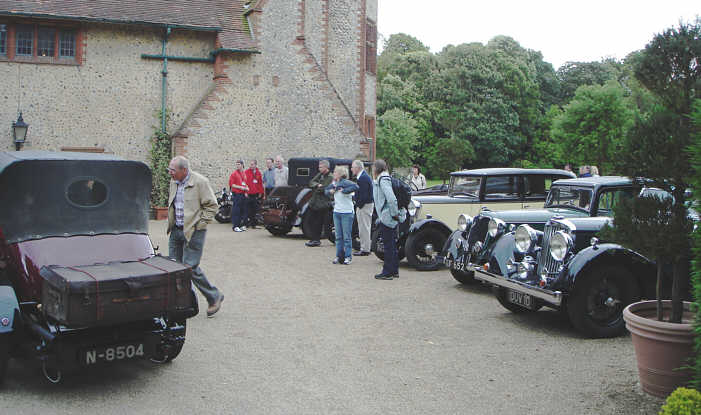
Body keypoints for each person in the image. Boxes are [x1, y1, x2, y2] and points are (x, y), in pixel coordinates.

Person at [167, 156, 224, 317]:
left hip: (194, 231)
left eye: (173, 170)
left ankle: (214, 296)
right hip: (176, 231)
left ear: (184, 170)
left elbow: (212, 206)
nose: (170, 173)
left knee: (189, 268)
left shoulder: (200, 182)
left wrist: (200, 225)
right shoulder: (173, 181)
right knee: (175, 269)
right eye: (169, 170)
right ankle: (184, 303)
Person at [373, 159, 406, 280]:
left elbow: (391, 199)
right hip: (389, 215)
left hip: (387, 216)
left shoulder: (383, 180)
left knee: (388, 245)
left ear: (376, 169)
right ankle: (394, 270)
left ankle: (387, 271)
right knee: (391, 244)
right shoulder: (385, 178)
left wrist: (394, 214)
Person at [325, 166, 359, 264]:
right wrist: (331, 191)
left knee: (347, 236)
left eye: (335, 172)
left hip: (347, 212)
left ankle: (348, 257)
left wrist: (343, 190)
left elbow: (355, 187)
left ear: (340, 174)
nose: (333, 173)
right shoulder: (333, 183)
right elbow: (326, 191)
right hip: (337, 212)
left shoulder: (345, 182)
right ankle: (339, 256)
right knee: (338, 236)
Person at [304, 159, 333, 247]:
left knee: (320, 222)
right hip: (315, 202)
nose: (319, 168)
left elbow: (323, 188)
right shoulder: (320, 174)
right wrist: (317, 185)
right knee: (312, 220)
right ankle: (314, 239)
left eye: (320, 167)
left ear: (326, 167)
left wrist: (318, 187)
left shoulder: (330, 177)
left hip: (324, 203)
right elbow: (311, 182)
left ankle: (317, 239)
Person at [351, 159, 373, 256]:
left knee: (364, 227)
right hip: (364, 205)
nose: (351, 169)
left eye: (352, 167)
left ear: (357, 168)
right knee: (363, 227)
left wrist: (358, 204)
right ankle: (364, 247)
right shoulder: (363, 177)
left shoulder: (363, 178)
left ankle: (365, 249)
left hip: (364, 206)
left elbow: (364, 195)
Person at [229, 160, 249, 232]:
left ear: (242, 165)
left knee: (242, 210)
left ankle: (241, 225)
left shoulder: (244, 174)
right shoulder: (234, 174)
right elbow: (232, 184)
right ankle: (235, 226)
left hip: (243, 194)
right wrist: (241, 187)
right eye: (236, 164)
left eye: (239, 164)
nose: (237, 166)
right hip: (237, 194)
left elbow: (245, 183)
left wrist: (246, 190)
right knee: (236, 210)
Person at [244, 159, 264, 228]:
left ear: (255, 165)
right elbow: (244, 183)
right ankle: (246, 224)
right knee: (247, 210)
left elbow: (260, 183)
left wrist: (261, 192)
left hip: (255, 194)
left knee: (254, 210)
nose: (251, 166)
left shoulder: (258, 173)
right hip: (248, 194)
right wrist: (245, 192)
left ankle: (253, 224)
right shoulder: (246, 172)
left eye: (252, 164)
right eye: (250, 164)